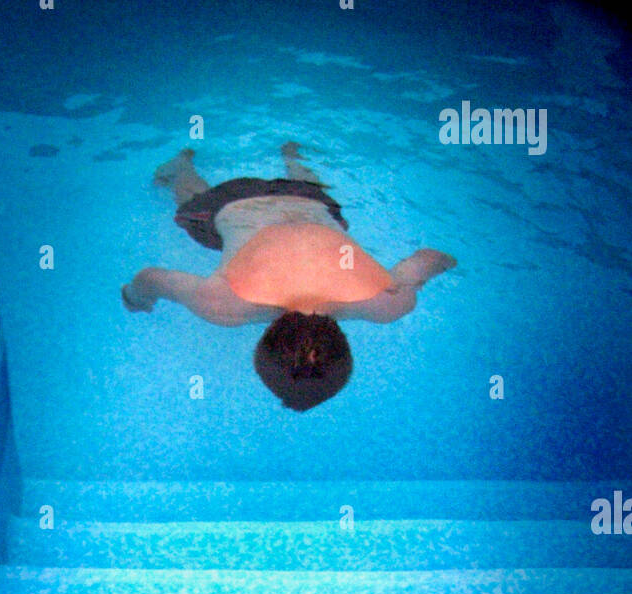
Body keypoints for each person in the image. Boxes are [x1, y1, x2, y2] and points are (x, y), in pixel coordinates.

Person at [122, 142, 456, 412]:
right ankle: (180, 167)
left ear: (345, 346)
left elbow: (429, 258)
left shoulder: (386, 303)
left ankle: (293, 157)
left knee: (312, 192)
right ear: (262, 344)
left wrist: (445, 265)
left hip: (307, 198)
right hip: (232, 203)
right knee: (192, 205)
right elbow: (150, 277)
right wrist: (135, 299)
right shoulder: (224, 305)